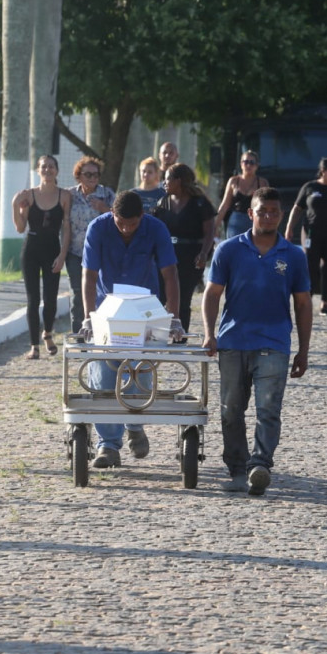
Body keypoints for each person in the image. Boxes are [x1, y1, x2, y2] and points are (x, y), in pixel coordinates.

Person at [203, 187, 312, 495]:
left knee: (268, 409)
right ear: (250, 213)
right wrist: (210, 333)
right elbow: (212, 294)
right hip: (233, 341)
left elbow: (303, 304)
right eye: (262, 211)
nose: (268, 217)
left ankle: (260, 465)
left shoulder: (293, 255)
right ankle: (237, 469)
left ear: (281, 215)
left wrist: (303, 350)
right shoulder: (229, 250)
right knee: (231, 410)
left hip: (274, 343)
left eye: (274, 212)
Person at [80, 191, 183, 469]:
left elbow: (170, 274)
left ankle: (135, 425)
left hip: (144, 311)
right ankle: (108, 444)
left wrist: (173, 317)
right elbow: (89, 275)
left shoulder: (156, 229)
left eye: (132, 224)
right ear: (112, 214)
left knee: (141, 370)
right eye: (120, 223)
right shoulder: (98, 228)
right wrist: (88, 317)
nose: (126, 229)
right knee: (103, 374)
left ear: (142, 217)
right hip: (107, 311)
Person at [12, 155, 72, 359]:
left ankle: (47, 332)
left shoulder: (64, 196)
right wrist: (15, 205)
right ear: (38, 170)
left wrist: (62, 255)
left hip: (52, 248)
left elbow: (66, 228)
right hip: (31, 248)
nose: (47, 170)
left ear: (57, 170)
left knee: (50, 297)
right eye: (43, 167)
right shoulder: (28, 195)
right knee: (33, 299)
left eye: (51, 166)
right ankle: (34, 346)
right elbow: (20, 228)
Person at [154, 163, 216, 331]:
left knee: (183, 299)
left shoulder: (200, 203)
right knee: (159, 297)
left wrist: (204, 253)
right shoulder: (163, 202)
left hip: (190, 257)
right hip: (166, 255)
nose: (164, 183)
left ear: (178, 181)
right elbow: (155, 229)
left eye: (167, 179)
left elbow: (210, 232)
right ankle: (158, 336)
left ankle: (179, 337)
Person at [286, 157, 327, 316]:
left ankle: (324, 304)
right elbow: (297, 208)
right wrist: (289, 227)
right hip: (311, 233)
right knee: (310, 267)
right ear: (323, 171)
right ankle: (306, 301)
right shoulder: (310, 187)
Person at [66, 156, 115, 334]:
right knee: (78, 294)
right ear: (78, 175)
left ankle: (101, 332)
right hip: (75, 252)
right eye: (88, 174)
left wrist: (104, 208)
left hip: (100, 253)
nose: (93, 178)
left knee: (101, 292)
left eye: (96, 174)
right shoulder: (70, 195)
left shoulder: (107, 194)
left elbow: (120, 217)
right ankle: (79, 334)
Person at [216, 150, 269, 239]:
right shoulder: (233, 181)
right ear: (241, 164)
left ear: (256, 166)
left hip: (254, 220)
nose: (248, 165)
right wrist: (216, 226)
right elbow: (225, 205)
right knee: (234, 245)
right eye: (246, 162)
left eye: (252, 163)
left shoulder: (262, 183)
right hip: (236, 221)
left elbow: (267, 206)